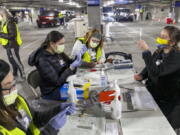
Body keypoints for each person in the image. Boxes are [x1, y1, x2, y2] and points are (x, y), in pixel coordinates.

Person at [0, 59, 76, 135]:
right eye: (8, 86)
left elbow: (35, 118)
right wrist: (51, 129)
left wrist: (57, 109)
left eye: (13, 82)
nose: (14, 89)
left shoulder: (17, 100)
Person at [134, 26, 180, 129]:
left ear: (172, 42)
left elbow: (156, 72)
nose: (160, 38)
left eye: (164, 36)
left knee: (161, 125)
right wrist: (142, 75)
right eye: (160, 35)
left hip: (168, 99)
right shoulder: (159, 51)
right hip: (154, 93)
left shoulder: (177, 57)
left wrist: (146, 51)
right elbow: (150, 67)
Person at [28, 31, 84, 101]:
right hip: (52, 92)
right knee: (83, 95)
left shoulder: (57, 52)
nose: (63, 46)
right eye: (61, 44)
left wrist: (78, 58)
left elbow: (69, 63)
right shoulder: (42, 60)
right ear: (51, 44)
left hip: (64, 84)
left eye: (63, 43)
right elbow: (57, 82)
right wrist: (70, 68)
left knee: (86, 87)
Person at [0, 8, 25, 81]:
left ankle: (23, 75)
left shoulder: (10, 22)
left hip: (12, 45)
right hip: (8, 45)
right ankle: (15, 73)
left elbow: (12, 35)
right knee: (12, 60)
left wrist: (1, 34)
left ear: (3, 14)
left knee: (16, 60)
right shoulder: (5, 22)